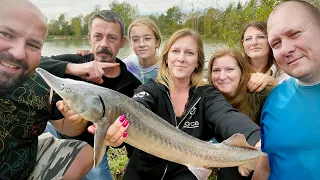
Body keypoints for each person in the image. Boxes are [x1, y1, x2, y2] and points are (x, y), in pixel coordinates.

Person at [90, 29, 261, 179]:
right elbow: (136, 107)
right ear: (166, 58)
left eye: (189, 53)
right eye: (175, 51)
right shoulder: (151, 89)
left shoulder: (207, 95)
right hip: (142, 173)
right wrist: (115, 129)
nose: (181, 58)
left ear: (197, 63)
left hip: (185, 173)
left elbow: (226, 116)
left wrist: (255, 137)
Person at [39, 10, 141, 180]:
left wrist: (116, 139)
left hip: (91, 146)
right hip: (56, 131)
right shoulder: (77, 61)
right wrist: (72, 68)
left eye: (112, 38)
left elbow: (125, 143)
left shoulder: (133, 86)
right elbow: (35, 63)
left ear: (122, 42)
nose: (103, 44)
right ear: (89, 38)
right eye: (98, 36)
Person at [0, 0, 94, 179]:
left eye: (33, 45)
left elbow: (67, 128)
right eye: (6, 34)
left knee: (84, 152)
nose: (19, 53)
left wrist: (76, 120)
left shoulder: (41, 85)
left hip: (24, 166)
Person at [252, 1, 320, 180]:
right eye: (276, 44)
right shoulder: (275, 99)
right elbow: (266, 167)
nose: (286, 49)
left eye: (295, 34)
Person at [207, 48, 271, 179]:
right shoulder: (208, 98)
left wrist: (250, 152)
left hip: (262, 156)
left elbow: (275, 132)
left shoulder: (260, 95)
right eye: (216, 71)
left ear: (242, 72)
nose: (222, 76)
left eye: (229, 69)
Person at [241, 20, 290, 92]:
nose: (254, 42)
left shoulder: (286, 70)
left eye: (260, 37)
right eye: (248, 39)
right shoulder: (235, 69)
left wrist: (275, 85)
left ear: (271, 40)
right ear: (243, 43)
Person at [123, 17, 161, 84]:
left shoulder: (166, 68)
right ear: (130, 43)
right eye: (135, 40)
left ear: (157, 42)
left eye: (147, 38)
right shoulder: (126, 65)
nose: (141, 44)